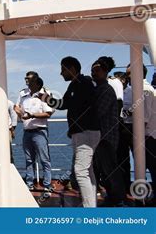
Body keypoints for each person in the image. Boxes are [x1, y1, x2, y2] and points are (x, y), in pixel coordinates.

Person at [41, 56, 100, 207]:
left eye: (63, 70)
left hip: (86, 133)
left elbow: (75, 105)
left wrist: (76, 127)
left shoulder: (83, 83)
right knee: (88, 170)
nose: (61, 74)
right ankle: (90, 204)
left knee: (80, 171)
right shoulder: (75, 85)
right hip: (82, 132)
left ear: (72, 69)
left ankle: (89, 209)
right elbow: (64, 104)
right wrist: (47, 99)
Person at [91, 57, 125, 206]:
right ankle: (114, 198)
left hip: (106, 137)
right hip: (100, 137)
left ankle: (118, 199)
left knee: (110, 169)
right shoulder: (99, 89)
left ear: (105, 72)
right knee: (105, 170)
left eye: (97, 70)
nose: (94, 73)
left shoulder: (105, 90)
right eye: (92, 70)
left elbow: (98, 112)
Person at [120, 64, 155, 191]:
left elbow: (143, 119)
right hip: (142, 134)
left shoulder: (144, 90)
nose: (126, 77)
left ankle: (143, 198)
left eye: (129, 73)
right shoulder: (139, 90)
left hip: (146, 136)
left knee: (147, 166)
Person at [15, 77, 54, 191]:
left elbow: (48, 113)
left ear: (37, 84)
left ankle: (47, 184)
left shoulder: (43, 96)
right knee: (29, 159)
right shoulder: (24, 96)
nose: (28, 83)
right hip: (27, 131)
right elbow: (17, 107)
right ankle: (29, 183)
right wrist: (19, 112)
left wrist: (32, 115)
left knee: (44, 159)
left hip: (39, 131)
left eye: (31, 82)